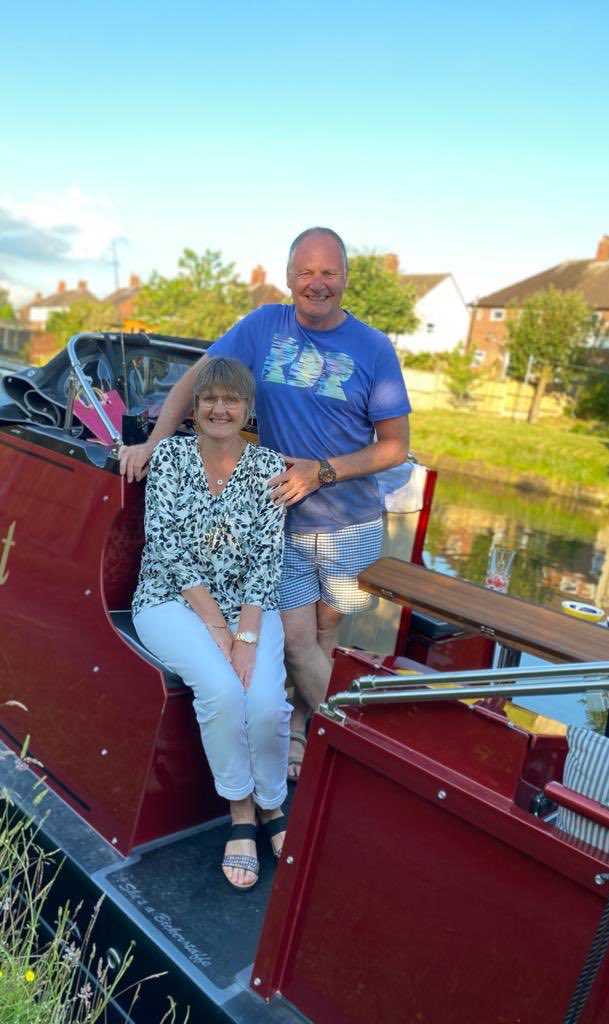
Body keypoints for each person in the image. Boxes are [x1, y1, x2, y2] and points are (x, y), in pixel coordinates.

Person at [121, 227, 411, 781]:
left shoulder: (374, 348)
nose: (316, 284)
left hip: (351, 525)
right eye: (306, 272)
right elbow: (198, 379)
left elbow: (396, 446)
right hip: (285, 522)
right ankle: (370, 760)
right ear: (288, 277)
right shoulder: (262, 326)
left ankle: (304, 730)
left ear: (346, 279)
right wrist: (156, 444)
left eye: (329, 273)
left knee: (328, 636)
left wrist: (323, 471)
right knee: (301, 645)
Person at [132, 357, 290, 890]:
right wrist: (220, 632)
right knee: (223, 690)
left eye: (231, 400)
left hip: (247, 606)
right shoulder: (172, 456)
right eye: (209, 400)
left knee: (266, 700)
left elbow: (268, 559)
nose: (219, 409)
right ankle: (243, 813)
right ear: (194, 407)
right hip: (168, 600)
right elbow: (168, 548)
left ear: (247, 408)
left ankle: (274, 803)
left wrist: (245, 634)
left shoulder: (269, 466)